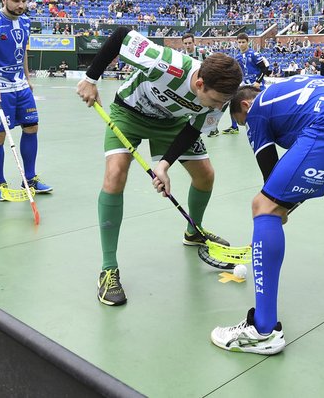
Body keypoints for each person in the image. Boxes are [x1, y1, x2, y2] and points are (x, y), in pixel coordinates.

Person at [210, 76, 324, 355]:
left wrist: (278, 210)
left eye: (242, 121)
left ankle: (263, 330)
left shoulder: (256, 109)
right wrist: (285, 203)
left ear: (245, 105)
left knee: (263, 207)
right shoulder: (288, 87)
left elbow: (270, 175)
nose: (247, 126)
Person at [75, 27, 243, 306]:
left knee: (205, 175)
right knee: (115, 175)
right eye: (215, 101)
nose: (219, 107)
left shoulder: (220, 97)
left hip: (173, 123)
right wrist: (90, 79)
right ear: (200, 84)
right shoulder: (166, 63)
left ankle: (194, 231)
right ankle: (108, 269)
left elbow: (193, 130)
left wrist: (164, 166)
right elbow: (120, 35)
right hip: (129, 112)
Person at [0, 0, 52, 202]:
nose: (21, 5)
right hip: (0, 88)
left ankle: (30, 178)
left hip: (21, 87)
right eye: (16, 1)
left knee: (32, 127)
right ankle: (0, 183)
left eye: (24, 1)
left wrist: (28, 79)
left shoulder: (25, 22)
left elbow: (23, 52)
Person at [219, 33, 270, 136]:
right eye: (239, 42)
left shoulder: (254, 54)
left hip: (256, 85)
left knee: (262, 104)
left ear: (247, 42)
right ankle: (234, 127)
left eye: (243, 42)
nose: (241, 44)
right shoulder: (237, 57)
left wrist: (258, 82)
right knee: (233, 102)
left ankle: (266, 126)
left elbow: (265, 68)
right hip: (244, 84)